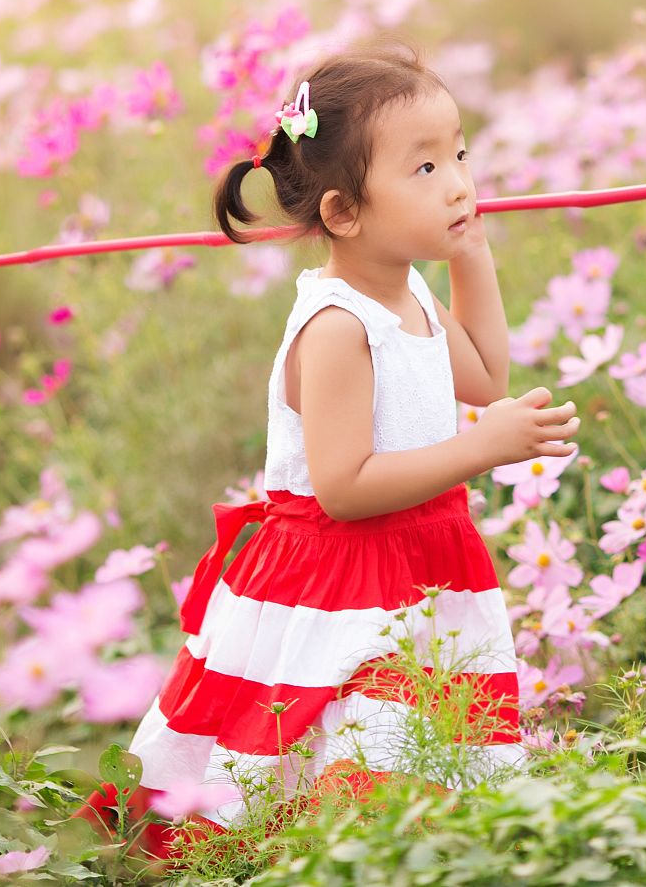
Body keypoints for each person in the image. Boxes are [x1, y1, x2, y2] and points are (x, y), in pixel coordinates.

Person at [125, 43, 580, 828]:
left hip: (418, 562)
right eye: (425, 169)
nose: (460, 181)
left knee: (419, 760)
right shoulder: (338, 325)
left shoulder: (408, 293)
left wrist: (472, 258)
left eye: (459, 154)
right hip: (339, 578)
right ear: (343, 212)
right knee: (347, 767)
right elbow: (343, 487)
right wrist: (482, 446)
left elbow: (481, 376)